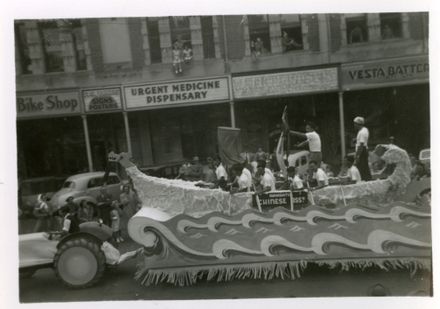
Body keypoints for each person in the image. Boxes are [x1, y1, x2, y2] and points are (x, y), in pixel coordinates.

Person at [353, 116, 372, 181]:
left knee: (362, 168)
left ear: (358, 124)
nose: (354, 125)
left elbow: (361, 145)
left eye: (355, 124)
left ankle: (366, 180)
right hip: (363, 150)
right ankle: (366, 180)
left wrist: (357, 155)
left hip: (362, 151)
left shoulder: (362, 132)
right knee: (364, 167)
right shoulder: (364, 129)